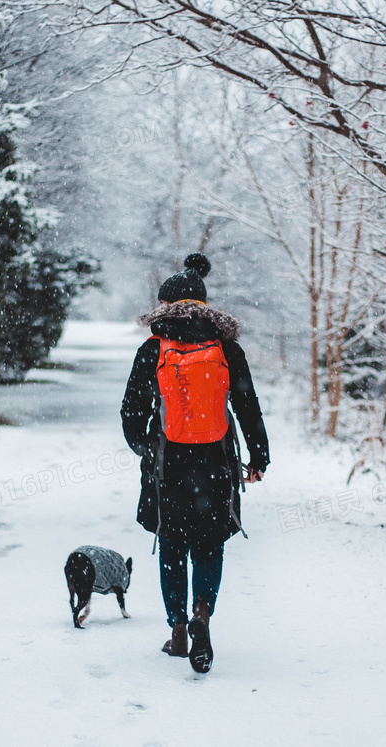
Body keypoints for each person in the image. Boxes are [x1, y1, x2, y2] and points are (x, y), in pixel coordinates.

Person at [121, 252, 270, 673]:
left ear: (165, 307)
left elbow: (131, 411)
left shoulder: (153, 348)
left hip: (169, 466)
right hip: (216, 464)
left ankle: (178, 628)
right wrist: (259, 457)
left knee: (172, 546)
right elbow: (248, 407)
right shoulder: (226, 349)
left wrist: (146, 449)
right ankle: (203, 612)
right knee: (208, 545)